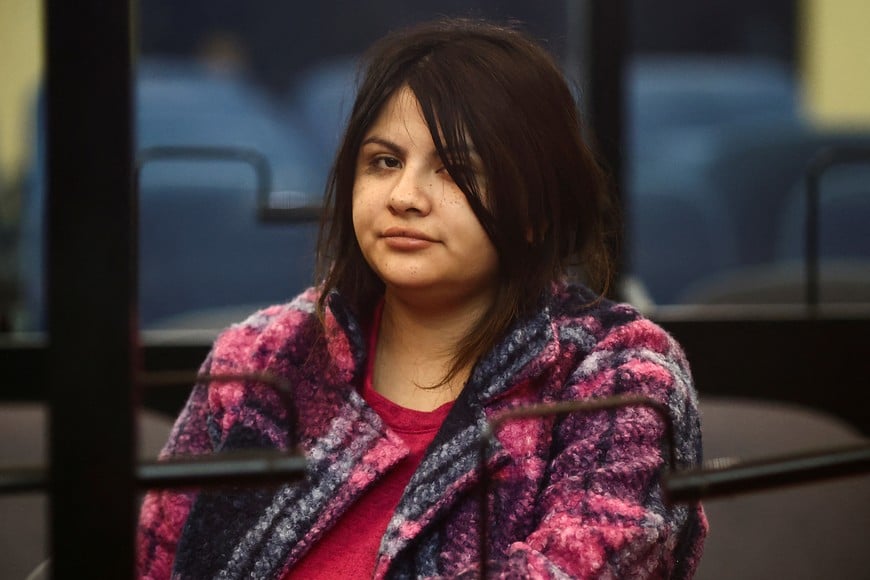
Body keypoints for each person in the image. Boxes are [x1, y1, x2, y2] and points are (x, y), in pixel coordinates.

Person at [137, 18, 707, 579]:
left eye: (455, 171)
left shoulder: (617, 374)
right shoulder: (259, 359)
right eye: (384, 162)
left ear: (537, 211)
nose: (404, 196)